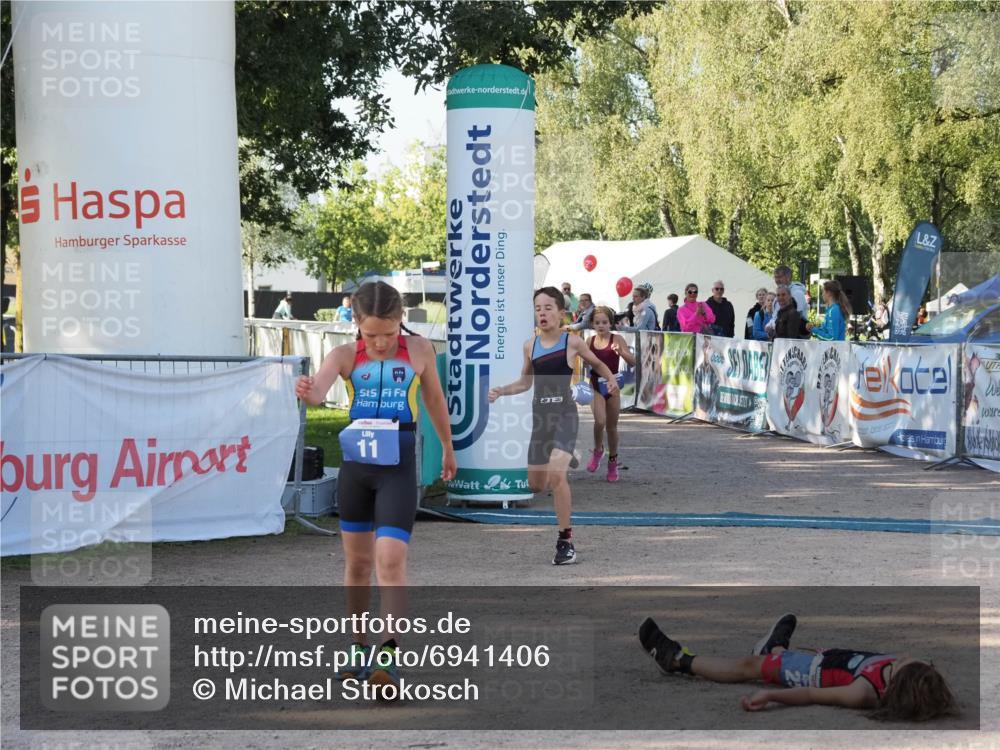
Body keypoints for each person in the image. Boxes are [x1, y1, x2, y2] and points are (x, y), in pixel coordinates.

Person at [294, 281, 457, 696]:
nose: (381, 343)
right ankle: (355, 649)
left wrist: (449, 449)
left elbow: (435, 401)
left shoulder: (420, 351)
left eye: (389, 333)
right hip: (356, 472)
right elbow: (317, 393)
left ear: (402, 320)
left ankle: (388, 658)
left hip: (398, 469)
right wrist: (308, 392)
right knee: (358, 566)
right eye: (371, 335)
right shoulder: (343, 354)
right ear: (357, 326)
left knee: (391, 561)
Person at [489, 287, 619, 565]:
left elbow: (597, 364)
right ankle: (569, 455)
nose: (542, 313)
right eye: (538, 309)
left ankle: (565, 541)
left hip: (564, 415)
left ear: (562, 313)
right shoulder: (530, 346)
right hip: (541, 420)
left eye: (548, 308)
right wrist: (501, 390)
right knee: (536, 485)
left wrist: (611, 379)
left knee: (557, 477)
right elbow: (525, 382)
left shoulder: (571, 342)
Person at [638, 614, 959, 721]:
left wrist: (771, 695)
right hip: (828, 658)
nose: (905, 656)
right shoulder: (916, 675)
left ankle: (679, 660)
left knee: (748, 666)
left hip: (804, 672)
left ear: (895, 685)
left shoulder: (863, 693)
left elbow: (813, 695)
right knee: (776, 655)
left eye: (903, 662)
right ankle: (774, 647)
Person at [584, 306, 636, 482]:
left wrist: (621, 352)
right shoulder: (589, 342)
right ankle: (598, 450)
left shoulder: (617, 339)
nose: (601, 326)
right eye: (597, 322)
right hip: (595, 386)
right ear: (592, 324)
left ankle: (613, 461)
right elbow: (582, 362)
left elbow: (633, 361)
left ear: (610, 323)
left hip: (613, 387)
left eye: (604, 322)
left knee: (611, 427)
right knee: (600, 421)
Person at [766, 265, 807, 335]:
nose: (777, 280)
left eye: (780, 277)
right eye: (775, 277)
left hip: (794, 336)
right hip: (779, 335)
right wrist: (769, 325)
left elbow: (796, 316)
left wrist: (774, 325)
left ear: (788, 277)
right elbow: (775, 316)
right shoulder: (778, 294)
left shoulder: (797, 293)